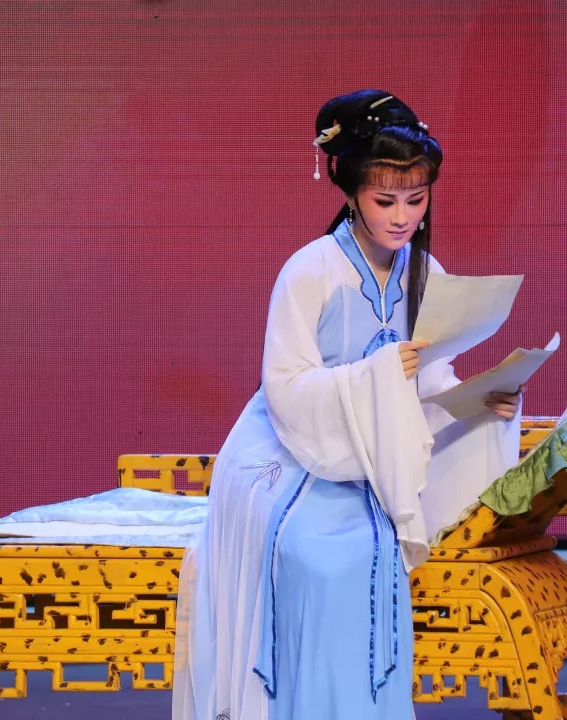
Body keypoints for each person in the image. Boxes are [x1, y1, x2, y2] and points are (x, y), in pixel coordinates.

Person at [171, 89, 523, 720]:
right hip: (291, 454)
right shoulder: (310, 270)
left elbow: (430, 382)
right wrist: (376, 377)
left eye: (416, 199)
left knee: (372, 549)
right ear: (352, 192)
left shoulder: (426, 271)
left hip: (381, 455)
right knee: (322, 558)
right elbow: (286, 386)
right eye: (385, 200)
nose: (403, 217)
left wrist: (477, 401)